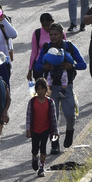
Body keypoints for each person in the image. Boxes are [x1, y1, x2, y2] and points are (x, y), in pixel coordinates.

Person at [32, 23, 86, 154]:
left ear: (62, 35)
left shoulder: (69, 47)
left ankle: (69, 132)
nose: (53, 37)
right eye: (51, 34)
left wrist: (71, 65)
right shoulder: (46, 48)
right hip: (50, 88)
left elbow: (82, 64)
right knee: (52, 116)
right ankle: (55, 144)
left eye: (56, 34)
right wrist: (44, 67)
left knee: (69, 114)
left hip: (66, 87)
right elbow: (37, 66)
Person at [25, 78, 58, 178]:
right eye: (38, 89)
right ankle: (35, 158)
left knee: (43, 148)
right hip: (35, 129)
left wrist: (55, 131)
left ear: (46, 89)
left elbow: (53, 117)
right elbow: (28, 116)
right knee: (35, 149)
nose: (40, 91)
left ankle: (41, 167)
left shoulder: (50, 102)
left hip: (46, 129)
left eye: (42, 89)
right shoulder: (32, 102)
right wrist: (28, 129)